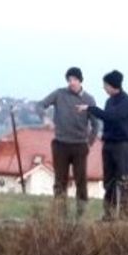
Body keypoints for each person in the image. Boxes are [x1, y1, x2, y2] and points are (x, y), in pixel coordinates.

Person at [36, 67, 99, 221]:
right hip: (60, 145)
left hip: (79, 146)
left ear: (80, 81)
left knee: (81, 181)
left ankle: (81, 214)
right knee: (60, 181)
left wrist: (89, 143)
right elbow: (39, 105)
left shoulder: (89, 100)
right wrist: (45, 118)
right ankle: (60, 214)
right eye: (69, 80)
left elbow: (96, 124)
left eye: (74, 79)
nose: (71, 83)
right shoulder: (59, 94)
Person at [78, 70, 128, 221]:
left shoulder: (127, 102)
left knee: (123, 180)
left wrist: (90, 108)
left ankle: (125, 216)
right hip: (109, 143)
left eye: (105, 85)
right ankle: (109, 214)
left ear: (112, 85)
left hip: (122, 145)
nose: (104, 88)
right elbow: (107, 118)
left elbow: (112, 117)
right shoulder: (109, 101)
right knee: (109, 181)